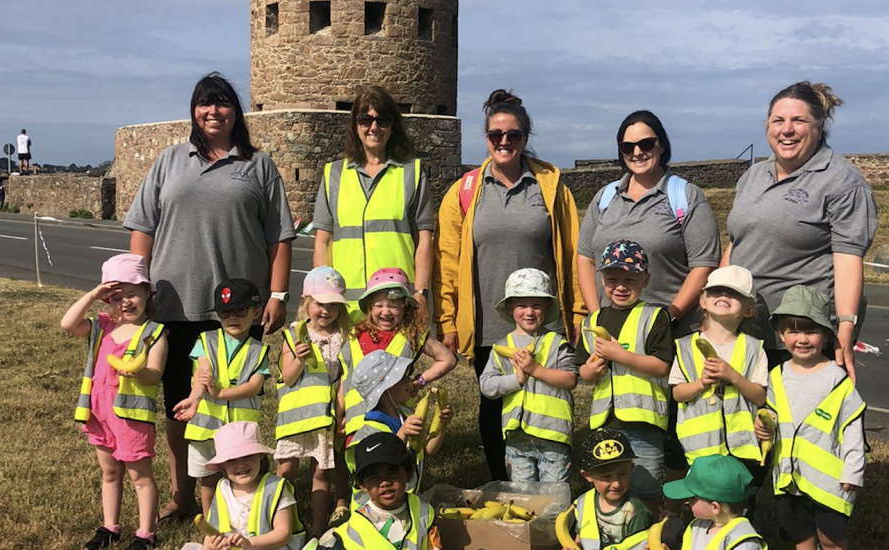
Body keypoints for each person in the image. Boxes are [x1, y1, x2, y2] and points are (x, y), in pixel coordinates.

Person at [124, 72, 296, 523]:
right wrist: (139, 288)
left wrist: (277, 293)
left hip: (238, 312)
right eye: (204, 104)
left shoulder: (258, 166)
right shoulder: (169, 161)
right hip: (174, 306)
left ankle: (238, 497)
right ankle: (185, 494)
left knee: (237, 404)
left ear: (236, 112)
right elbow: (142, 227)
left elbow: (279, 237)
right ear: (194, 111)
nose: (213, 112)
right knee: (181, 406)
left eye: (222, 104)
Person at [434, 88, 584, 481]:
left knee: (548, 401)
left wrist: (580, 311)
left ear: (525, 138)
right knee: (494, 403)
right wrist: (448, 321)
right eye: (495, 135)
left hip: (543, 321)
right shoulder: (464, 191)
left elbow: (572, 252)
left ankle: (550, 481)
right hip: (489, 324)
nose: (504, 142)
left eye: (513, 135)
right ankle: (504, 482)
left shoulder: (549, 186)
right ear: (485, 138)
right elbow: (447, 261)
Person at [724, 82, 878, 382]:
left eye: (799, 121)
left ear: (820, 125)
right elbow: (736, 242)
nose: (787, 129)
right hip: (745, 332)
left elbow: (847, 258)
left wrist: (845, 327)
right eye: (778, 120)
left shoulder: (842, 181)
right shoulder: (753, 175)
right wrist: (718, 302)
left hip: (800, 338)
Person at [578, 110, 720, 337]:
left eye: (646, 144)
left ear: (662, 146)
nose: (637, 152)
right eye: (627, 147)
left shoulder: (686, 196)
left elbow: (704, 265)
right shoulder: (605, 197)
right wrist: (598, 318)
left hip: (667, 337)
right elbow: (585, 258)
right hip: (608, 334)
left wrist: (668, 319)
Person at [60, 253, 168, 550]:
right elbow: (68, 324)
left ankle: (146, 533)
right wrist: (94, 294)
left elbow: (154, 375)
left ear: (147, 292)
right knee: (109, 472)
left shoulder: (153, 334)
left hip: (132, 418)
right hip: (99, 412)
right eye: (117, 296)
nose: (126, 302)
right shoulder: (103, 325)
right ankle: (110, 527)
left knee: (140, 476)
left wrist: (136, 370)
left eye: (133, 294)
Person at [336, 268, 456, 521]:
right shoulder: (354, 335)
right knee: (367, 478)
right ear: (368, 306)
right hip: (360, 420)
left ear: (405, 307)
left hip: (395, 411)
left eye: (393, 305)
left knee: (396, 471)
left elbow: (448, 359)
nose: (385, 311)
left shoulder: (412, 334)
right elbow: (344, 379)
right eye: (379, 305)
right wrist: (340, 414)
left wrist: (420, 381)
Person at [755, 285, 866, 550]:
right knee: (800, 537)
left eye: (811, 331)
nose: (802, 339)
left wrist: (854, 471)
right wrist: (762, 426)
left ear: (826, 336)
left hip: (829, 481)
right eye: (793, 331)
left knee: (831, 539)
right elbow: (771, 415)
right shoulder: (776, 376)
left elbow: (853, 428)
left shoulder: (837, 379)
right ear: (781, 334)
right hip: (789, 477)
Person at [312, 85, 434, 317]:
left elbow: (424, 240)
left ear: (393, 125)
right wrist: (321, 294)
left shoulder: (412, 173)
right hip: (345, 305)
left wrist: (421, 292)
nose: (374, 127)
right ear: (355, 125)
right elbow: (324, 242)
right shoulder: (333, 174)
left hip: (395, 303)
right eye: (365, 120)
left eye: (382, 120)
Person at [671, 265, 767, 516]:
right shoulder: (684, 346)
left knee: (736, 509)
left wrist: (733, 376)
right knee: (703, 506)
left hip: (741, 447)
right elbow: (678, 393)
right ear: (702, 300)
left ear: (749, 309)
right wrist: (701, 383)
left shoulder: (755, 348)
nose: (723, 296)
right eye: (716, 291)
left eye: (733, 294)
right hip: (699, 447)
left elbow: (760, 396)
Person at [576, 239, 673, 483]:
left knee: (646, 483)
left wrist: (620, 355)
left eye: (629, 280)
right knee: (611, 484)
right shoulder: (592, 321)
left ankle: (649, 520)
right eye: (612, 280)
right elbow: (582, 372)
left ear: (646, 280)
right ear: (601, 280)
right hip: (605, 421)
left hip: (644, 421)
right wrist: (590, 371)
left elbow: (662, 367)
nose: (620, 287)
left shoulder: (654, 316)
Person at [173, 278, 271, 516]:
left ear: (256, 312)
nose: (232, 317)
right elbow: (203, 374)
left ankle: (240, 520)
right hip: (206, 428)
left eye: (240, 310)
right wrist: (195, 399)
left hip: (240, 431)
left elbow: (253, 386)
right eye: (225, 311)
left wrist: (220, 393)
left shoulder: (259, 350)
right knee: (208, 481)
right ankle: (211, 525)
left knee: (243, 480)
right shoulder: (206, 340)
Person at [479, 268, 577, 482]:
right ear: (510, 308)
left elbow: (570, 379)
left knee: (554, 497)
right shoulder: (501, 347)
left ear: (548, 307)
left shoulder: (556, 343)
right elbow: (487, 385)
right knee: (523, 497)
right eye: (522, 305)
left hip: (553, 435)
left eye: (537, 305)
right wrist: (517, 379)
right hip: (517, 439)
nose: (529, 312)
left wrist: (535, 370)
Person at [276, 266, 351, 538]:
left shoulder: (343, 337)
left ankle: (317, 529)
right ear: (307, 301)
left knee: (321, 473)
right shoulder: (293, 333)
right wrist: (297, 358)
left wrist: (341, 414)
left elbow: (343, 378)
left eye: (333, 305)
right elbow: (287, 377)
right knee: (286, 471)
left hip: (325, 417)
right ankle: (283, 522)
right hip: (295, 418)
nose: (326, 311)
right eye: (320, 304)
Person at [307, 432, 439, 550]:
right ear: (362, 484)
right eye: (374, 477)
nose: (385, 483)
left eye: (392, 473)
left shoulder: (424, 512)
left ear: (408, 473)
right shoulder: (353, 532)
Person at [349, 351, 454, 495]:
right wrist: (402, 433)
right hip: (375, 511)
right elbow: (385, 461)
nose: (409, 381)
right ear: (386, 389)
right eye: (402, 377)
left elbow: (427, 450)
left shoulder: (404, 415)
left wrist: (442, 424)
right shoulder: (372, 429)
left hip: (399, 502)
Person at [197, 422, 305, 550]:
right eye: (232, 460)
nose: (241, 465)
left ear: (260, 455)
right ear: (222, 465)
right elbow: (215, 528)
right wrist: (209, 545)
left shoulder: (275, 488)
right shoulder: (222, 488)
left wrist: (250, 544)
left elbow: (283, 533)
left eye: (247, 456)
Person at [569, 429, 655, 550]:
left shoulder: (636, 513)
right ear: (588, 476)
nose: (616, 484)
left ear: (631, 468)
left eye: (623, 474)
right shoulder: (584, 503)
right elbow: (580, 538)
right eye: (606, 477)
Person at [662, 455, 767, 550]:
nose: (688, 501)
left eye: (692, 498)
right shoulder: (698, 526)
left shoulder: (742, 543)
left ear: (715, 507)